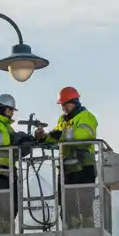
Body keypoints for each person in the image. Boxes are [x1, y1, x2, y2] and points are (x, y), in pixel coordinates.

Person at [34, 86, 99, 228]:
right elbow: (55, 138)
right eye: (62, 105)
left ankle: (87, 230)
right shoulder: (62, 120)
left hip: (83, 167)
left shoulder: (86, 116)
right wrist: (43, 137)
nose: (64, 108)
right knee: (67, 204)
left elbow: (85, 135)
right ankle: (71, 229)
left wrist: (63, 135)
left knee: (85, 202)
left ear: (75, 102)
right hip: (67, 169)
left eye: (66, 104)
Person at [0, 93, 36, 234]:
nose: (11, 113)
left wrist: (25, 145)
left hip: (8, 170)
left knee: (12, 205)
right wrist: (15, 139)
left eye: (12, 110)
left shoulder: (6, 127)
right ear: (1, 108)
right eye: (9, 110)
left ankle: (5, 230)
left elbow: (13, 148)